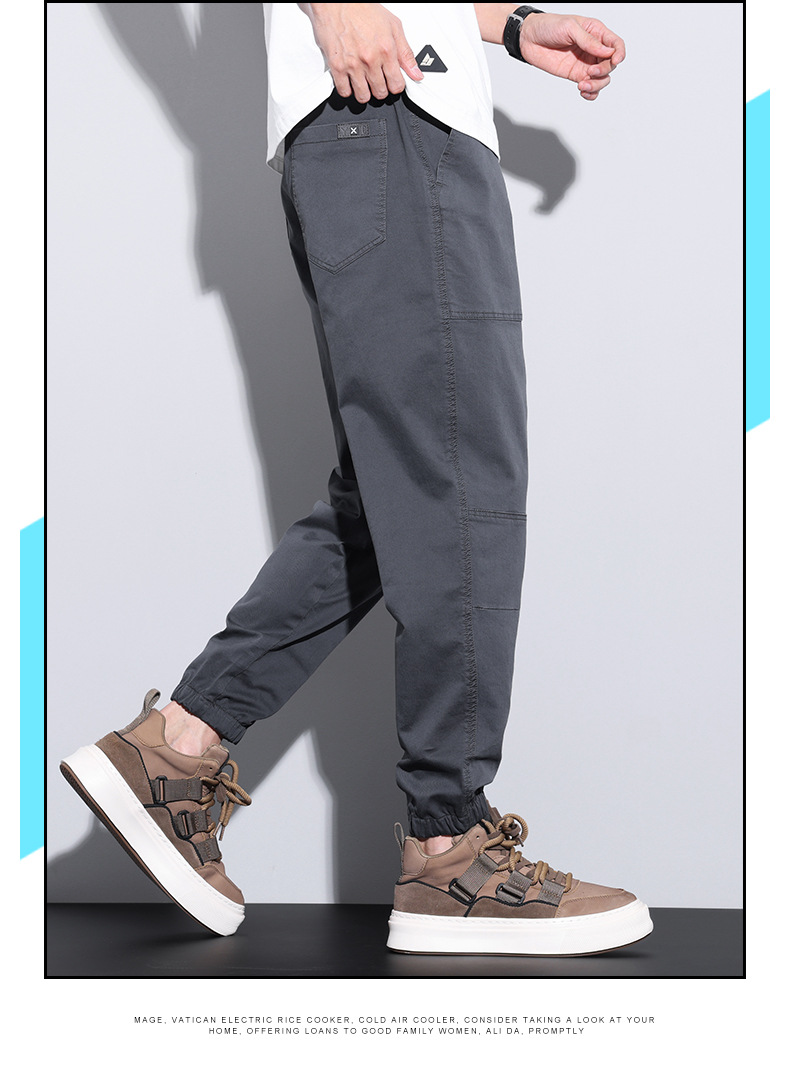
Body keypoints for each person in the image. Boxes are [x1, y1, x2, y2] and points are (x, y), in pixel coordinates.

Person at [61, 3, 653, 956]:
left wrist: (509, 27)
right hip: (396, 118)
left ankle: (178, 748)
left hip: (388, 120)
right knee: (459, 487)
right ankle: (449, 850)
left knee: (399, 496)